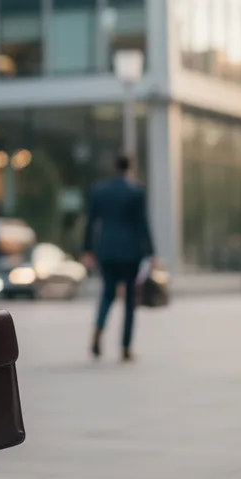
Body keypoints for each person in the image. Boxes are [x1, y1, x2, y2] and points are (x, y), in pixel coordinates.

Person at [81, 154, 155, 362]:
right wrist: (151, 252)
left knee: (107, 294)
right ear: (130, 167)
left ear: (114, 166)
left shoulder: (100, 191)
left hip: (106, 251)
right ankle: (125, 347)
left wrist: (87, 249)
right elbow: (143, 224)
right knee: (130, 300)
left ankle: (98, 329)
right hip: (131, 253)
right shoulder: (136, 192)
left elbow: (90, 222)